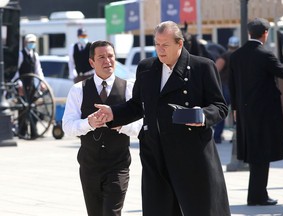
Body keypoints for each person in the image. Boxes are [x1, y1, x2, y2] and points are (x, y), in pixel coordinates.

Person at [92, 21, 230, 216]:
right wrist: (113, 113)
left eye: (165, 45)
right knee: (159, 209)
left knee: (201, 209)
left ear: (179, 44)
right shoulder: (146, 68)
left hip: (192, 154)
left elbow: (220, 106)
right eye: (157, 44)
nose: (160, 49)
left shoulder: (202, 67)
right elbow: (137, 105)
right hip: (155, 153)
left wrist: (202, 115)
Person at [62, 40, 142, 216]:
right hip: (89, 164)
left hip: (118, 164)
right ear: (92, 62)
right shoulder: (78, 90)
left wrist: (121, 124)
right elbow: (67, 126)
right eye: (102, 57)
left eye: (111, 56)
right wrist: (88, 124)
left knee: (112, 212)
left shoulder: (128, 88)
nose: (107, 61)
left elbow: (140, 127)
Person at [229, 18, 283, 206]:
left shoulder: (236, 55)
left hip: (245, 114)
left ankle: (256, 194)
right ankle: (257, 196)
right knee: (262, 155)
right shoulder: (265, 55)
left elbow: (232, 85)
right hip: (264, 114)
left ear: (249, 33)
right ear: (265, 33)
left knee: (255, 155)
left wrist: (235, 109)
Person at [13, 33, 45, 138]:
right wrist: (19, 84)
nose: (32, 44)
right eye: (30, 42)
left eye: (33, 42)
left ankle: (33, 132)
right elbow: (16, 70)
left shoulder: (35, 55)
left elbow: (38, 70)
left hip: (31, 84)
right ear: (26, 43)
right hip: (22, 83)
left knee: (33, 107)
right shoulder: (20, 54)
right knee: (22, 109)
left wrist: (42, 83)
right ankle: (22, 131)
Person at [213, 36, 240, 143]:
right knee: (237, 112)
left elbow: (215, 70)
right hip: (237, 87)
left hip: (226, 86)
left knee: (222, 111)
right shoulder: (240, 56)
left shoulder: (224, 56)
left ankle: (217, 136)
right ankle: (236, 137)